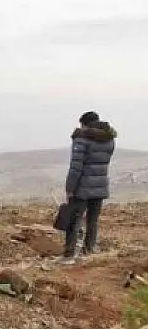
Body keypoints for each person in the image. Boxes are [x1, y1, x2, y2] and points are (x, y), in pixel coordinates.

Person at [61, 111, 117, 264]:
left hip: (82, 188)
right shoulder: (109, 139)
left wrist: (70, 188)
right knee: (93, 220)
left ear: (84, 124)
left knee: (74, 219)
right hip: (100, 186)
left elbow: (75, 167)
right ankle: (89, 251)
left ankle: (69, 255)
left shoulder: (81, 139)